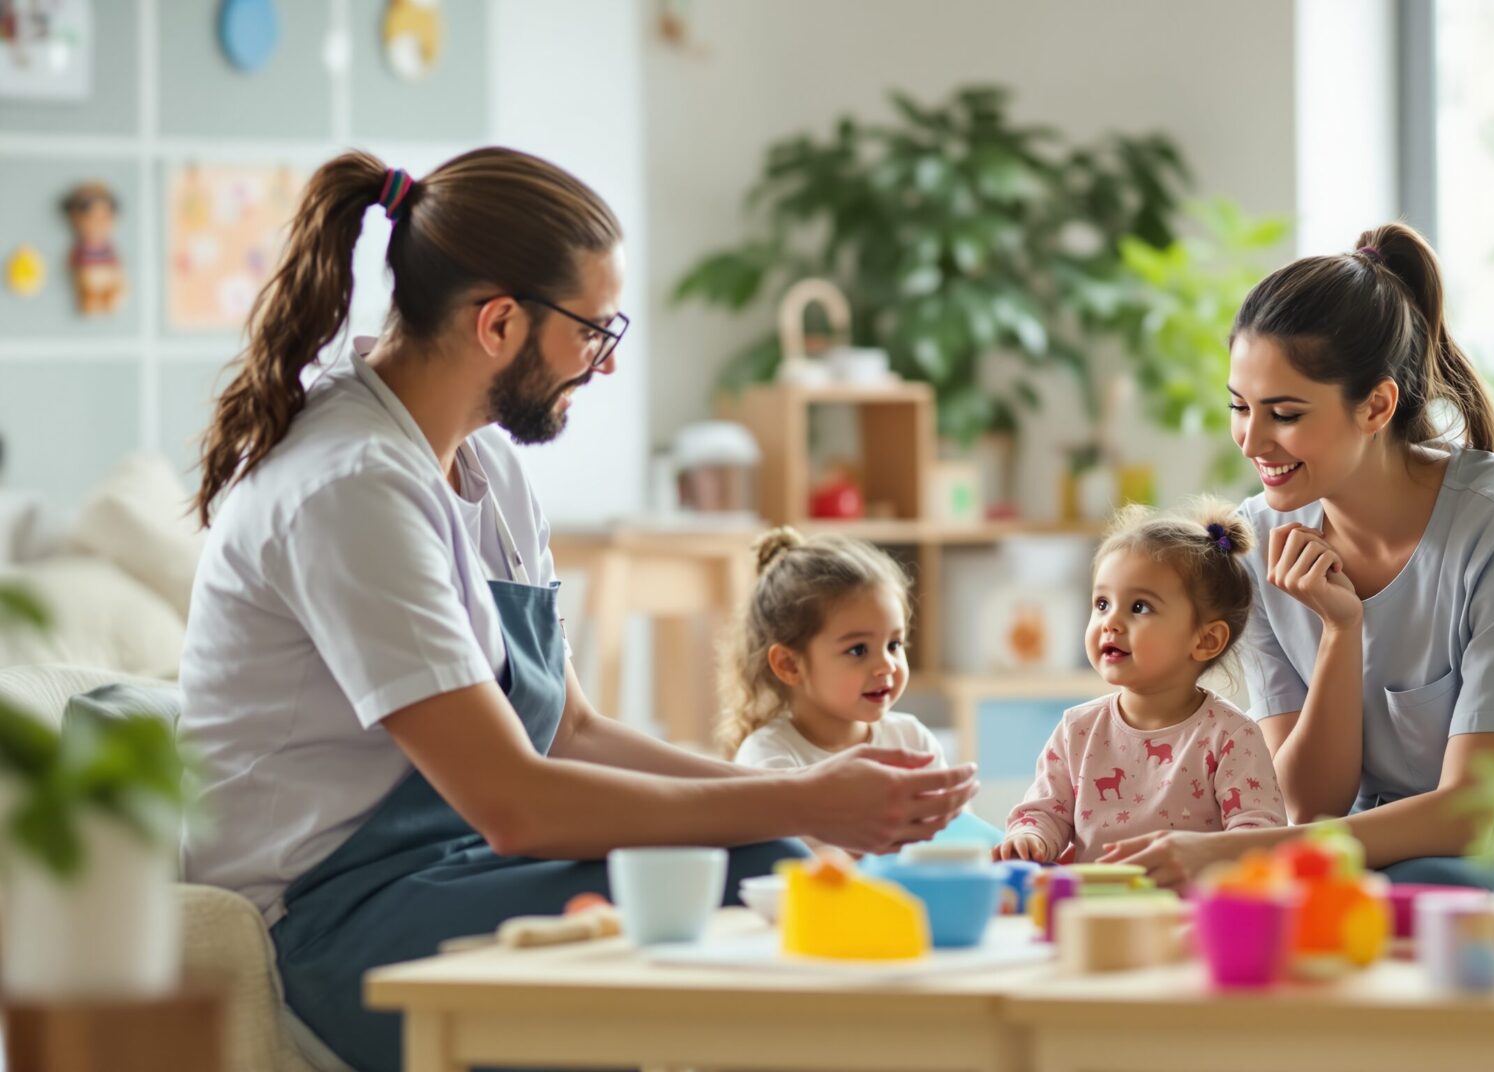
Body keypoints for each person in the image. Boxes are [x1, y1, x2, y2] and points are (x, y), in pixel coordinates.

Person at [177, 147, 975, 1072]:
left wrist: (813, 810)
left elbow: (572, 733)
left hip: (457, 865)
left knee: (773, 866)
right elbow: (515, 802)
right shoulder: (350, 487)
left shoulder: (488, 466)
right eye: (594, 331)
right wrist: (800, 799)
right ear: (500, 322)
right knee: (765, 877)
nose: (602, 363)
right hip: (333, 920)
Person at [1102, 223, 1494, 903]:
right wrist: (1340, 635)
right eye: (1240, 407)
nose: (1253, 439)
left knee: (1387, 897)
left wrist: (1228, 851)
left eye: (1286, 413)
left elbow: (1467, 814)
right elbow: (1310, 805)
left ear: (1378, 405)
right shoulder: (1258, 540)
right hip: (1416, 862)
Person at [996, 502, 1285, 868]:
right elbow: (1044, 811)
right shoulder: (1077, 730)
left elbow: (1258, 834)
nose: (1110, 622)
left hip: (1185, 916)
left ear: (1206, 640)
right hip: (1094, 909)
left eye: (1139, 608)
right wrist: (1030, 837)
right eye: (1102, 603)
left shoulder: (1230, 737)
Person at [723, 527, 946, 771]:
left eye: (894, 644)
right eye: (858, 650)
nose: (887, 665)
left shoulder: (913, 741)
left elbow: (954, 809)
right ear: (789, 664)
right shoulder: (768, 757)